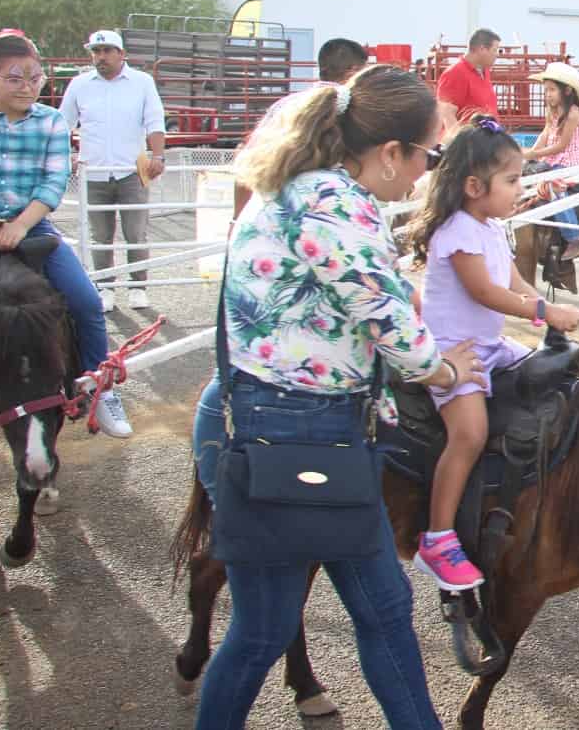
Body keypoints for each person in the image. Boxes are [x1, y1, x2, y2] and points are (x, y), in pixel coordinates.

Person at [190, 64, 483, 728]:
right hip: (304, 433)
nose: (423, 173)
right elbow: (397, 336)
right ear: (388, 153)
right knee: (346, 618)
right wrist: (448, 368)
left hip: (267, 425)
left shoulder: (292, 188)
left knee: (284, 626)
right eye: (425, 156)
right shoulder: (337, 200)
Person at [407, 117, 579, 591]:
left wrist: (541, 311)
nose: (518, 189)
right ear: (472, 186)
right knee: (469, 432)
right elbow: (484, 292)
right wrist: (545, 310)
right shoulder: (458, 231)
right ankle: (438, 538)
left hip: (488, 345)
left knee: (549, 380)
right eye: (510, 181)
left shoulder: (489, 226)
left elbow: (511, 281)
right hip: (453, 350)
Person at [0, 33, 118, 435]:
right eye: (15, 78)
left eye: (35, 78)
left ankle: (96, 387)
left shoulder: (52, 121)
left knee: (86, 301)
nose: (27, 87)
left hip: (31, 222)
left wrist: (21, 224)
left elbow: (54, 180)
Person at [59, 30, 166, 319]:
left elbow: (155, 120)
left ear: (121, 54)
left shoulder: (142, 82)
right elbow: (63, 123)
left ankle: (138, 286)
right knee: (100, 235)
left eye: (107, 50)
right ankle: (105, 287)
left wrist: (158, 155)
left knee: (136, 232)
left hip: (133, 168)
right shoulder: (80, 84)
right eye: (96, 51)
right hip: (93, 169)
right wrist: (65, 154)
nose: (101, 56)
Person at [232, 37, 369, 217]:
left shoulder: (286, 105)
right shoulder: (354, 112)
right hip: (329, 215)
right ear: (353, 72)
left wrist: (237, 220)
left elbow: (248, 161)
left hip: (276, 212)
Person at [525, 62, 579, 261]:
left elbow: (562, 146)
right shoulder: (552, 110)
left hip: (572, 162)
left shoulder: (573, 113)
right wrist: (532, 153)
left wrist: (530, 155)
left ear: (567, 90)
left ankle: (573, 237)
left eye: (552, 90)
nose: (548, 94)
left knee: (556, 189)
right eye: (546, 90)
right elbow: (546, 134)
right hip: (553, 159)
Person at [436, 28, 501, 122]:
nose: (497, 55)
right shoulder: (455, 73)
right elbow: (447, 115)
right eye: (494, 50)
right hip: (470, 135)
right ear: (482, 49)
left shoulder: (484, 71)